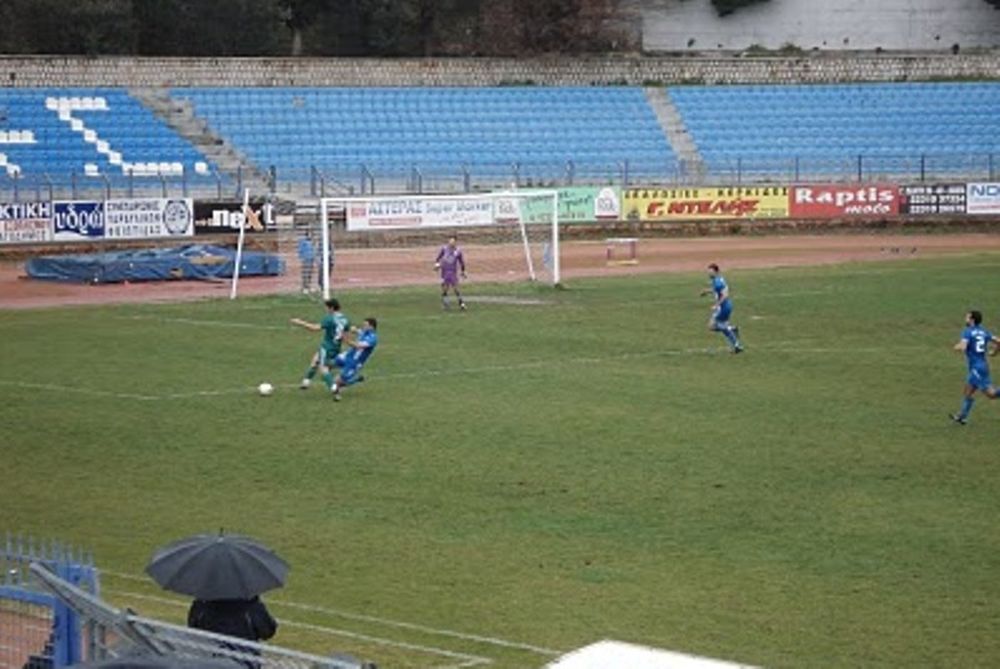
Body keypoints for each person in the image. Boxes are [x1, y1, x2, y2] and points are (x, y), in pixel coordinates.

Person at [188, 596, 277, 668]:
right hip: (244, 662)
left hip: (208, 660)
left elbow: (193, 626)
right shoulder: (251, 603)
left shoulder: (202, 602)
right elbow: (267, 631)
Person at [950, 309, 999, 425]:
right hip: (982, 366)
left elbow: (962, 347)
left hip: (977, 368)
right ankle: (962, 417)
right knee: (968, 391)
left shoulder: (968, 332)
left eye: (967, 317)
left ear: (972, 320)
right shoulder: (984, 332)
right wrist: (995, 353)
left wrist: (956, 346)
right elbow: (999, 341)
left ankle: (962, 416)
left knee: (991, 394)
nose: (965, 319)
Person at [291, 298, 350, 391]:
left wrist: (300, 322)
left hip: (327, 347)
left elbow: (315, 328)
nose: (325, 309)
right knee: (315, 361)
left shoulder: (329, 318)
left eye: (326, 307)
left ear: (331, 308)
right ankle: (306, 382)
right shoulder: (345, 319)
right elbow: (345, 336)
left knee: (323, 368)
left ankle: (333, 387)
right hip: (336, 346)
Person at [331, 317, 378, 401]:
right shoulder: (364, 332)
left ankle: (355, 380)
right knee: (327, 364)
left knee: (339, 381)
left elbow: (358, 346)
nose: (363, 327)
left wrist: (344, 339)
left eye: (365, 325)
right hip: (347, 355)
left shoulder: (373, 338)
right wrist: (347, 327)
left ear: (372, 327)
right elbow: (355, 329)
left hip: (355, 363)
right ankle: (336, 389)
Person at [700, 263, 744, 354]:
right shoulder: (718, 280)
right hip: (726, 306)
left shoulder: (717, 282)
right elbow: (718, 290)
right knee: (716, 326)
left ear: (716, 272)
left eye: (711, 272)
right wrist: (707, 291)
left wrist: (717, 305)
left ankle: (734, 338)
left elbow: (725, 295)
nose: (709, 273)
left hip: (723, 307)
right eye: (708, 271)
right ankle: (733, 336)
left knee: (712, 326)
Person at [434, 236, 467, 310]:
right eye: (450, 241)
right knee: (445, 288)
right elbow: (438, 258)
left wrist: (463, 271)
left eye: (453, 241)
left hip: (452, 272)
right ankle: (445, 304)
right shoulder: (444, 249)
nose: (451, 243)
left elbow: (461, 262)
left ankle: (461, 303)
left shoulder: (458, 251)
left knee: (456, 288)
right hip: (444, 271)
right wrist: (437, 265)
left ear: (455, 242)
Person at [297, 228, 317, 294]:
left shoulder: (313, 242)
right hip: (306, 259)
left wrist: (315, 257)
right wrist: (301, 257)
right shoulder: (303, 241)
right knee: (305, 273)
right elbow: (300, 250)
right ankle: (304, 287)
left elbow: (314, 250)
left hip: (311, 258)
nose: (311, 235)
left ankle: (309, 286)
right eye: (309, 234)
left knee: (310, 273)